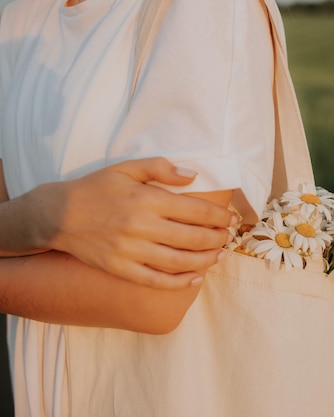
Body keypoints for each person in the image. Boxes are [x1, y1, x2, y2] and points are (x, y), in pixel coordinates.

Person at [0, 0, 276, 415]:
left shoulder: (207, 8)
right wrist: (45, 216)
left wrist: (31, 225)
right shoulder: (23, 12)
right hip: (35, 387)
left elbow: (153, 296)